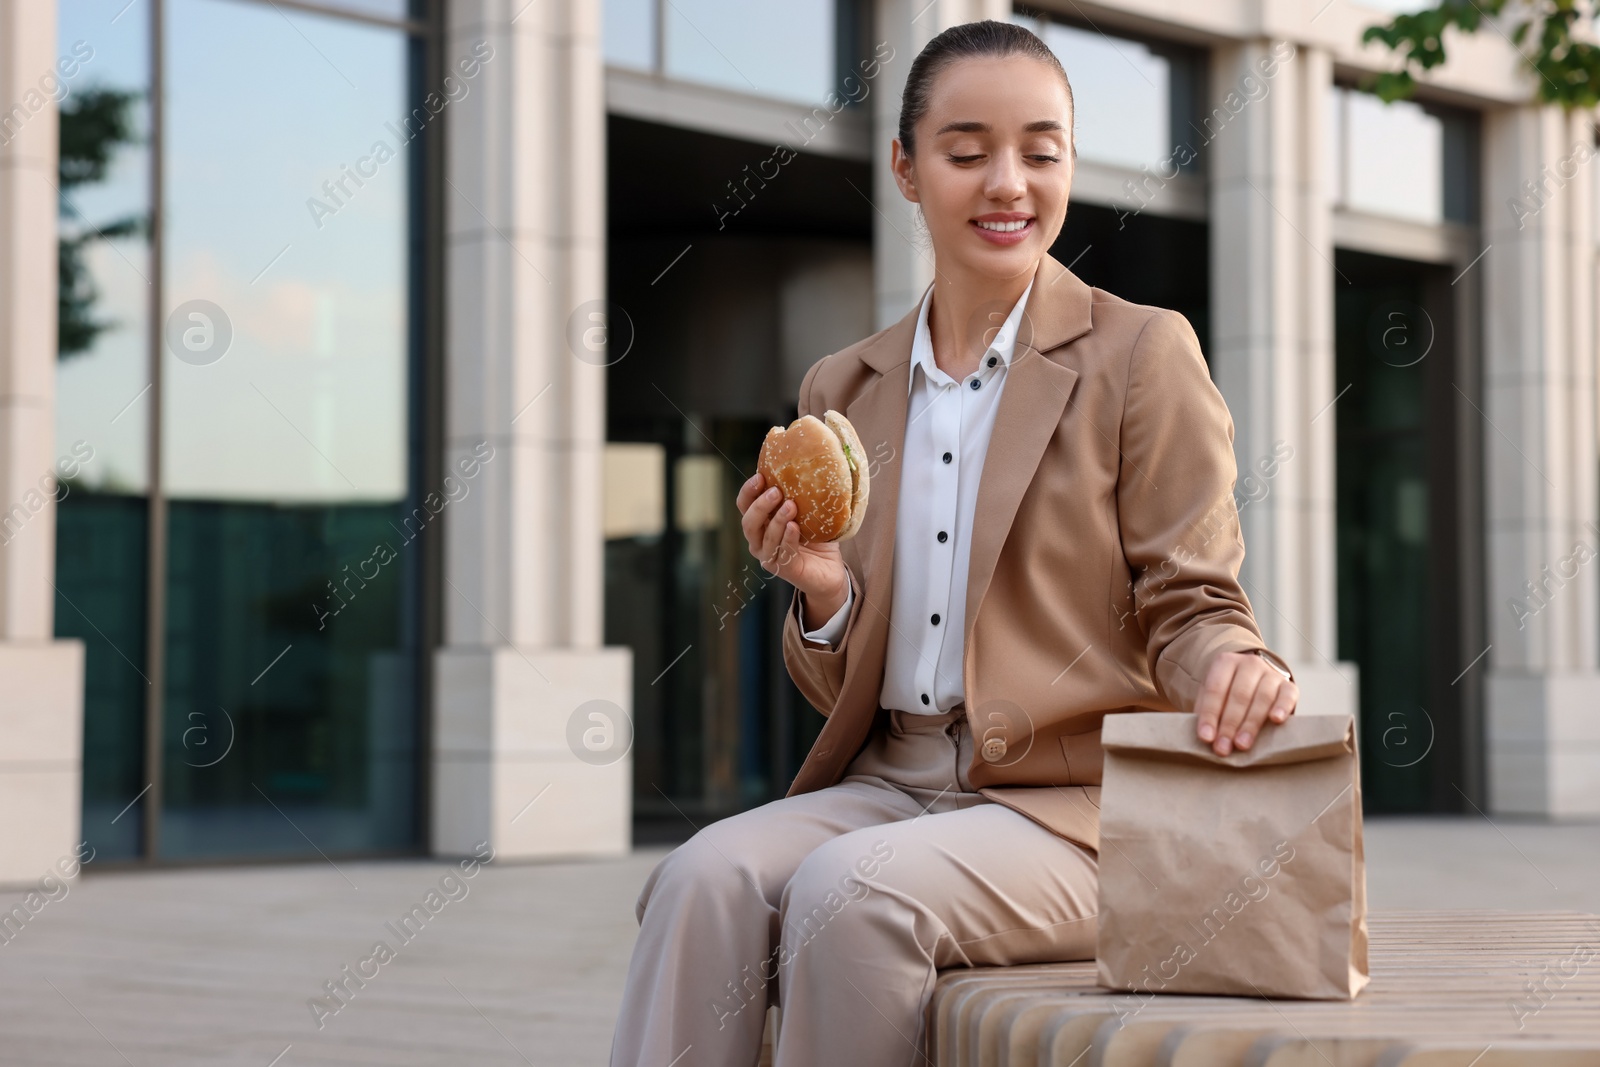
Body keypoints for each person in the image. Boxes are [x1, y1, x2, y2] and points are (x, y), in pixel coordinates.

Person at [609, 18, 1298, 1067]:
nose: (1007, 182)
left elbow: (1189, 599)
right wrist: (822, 588)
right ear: (906, 169)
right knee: (704, 876)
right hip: (891, 779)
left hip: (1074, 806)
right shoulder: (841, 388)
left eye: (1041, 151)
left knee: (851, 895)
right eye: (967, 152)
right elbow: (833, 672)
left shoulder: (1142, 353)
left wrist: (1233, 661)